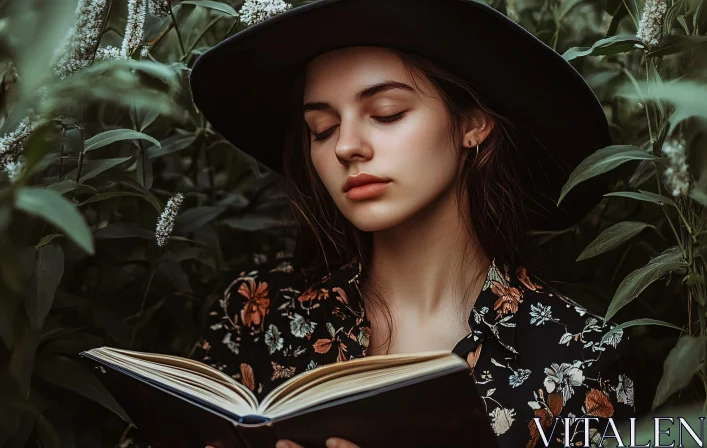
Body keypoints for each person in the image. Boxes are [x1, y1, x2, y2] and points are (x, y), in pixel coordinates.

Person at [188, 0, 637, 446]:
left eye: (386, 113)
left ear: (473, 122)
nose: (346, 146)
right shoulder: (257, 313)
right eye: (322, 128)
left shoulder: (579, 356)